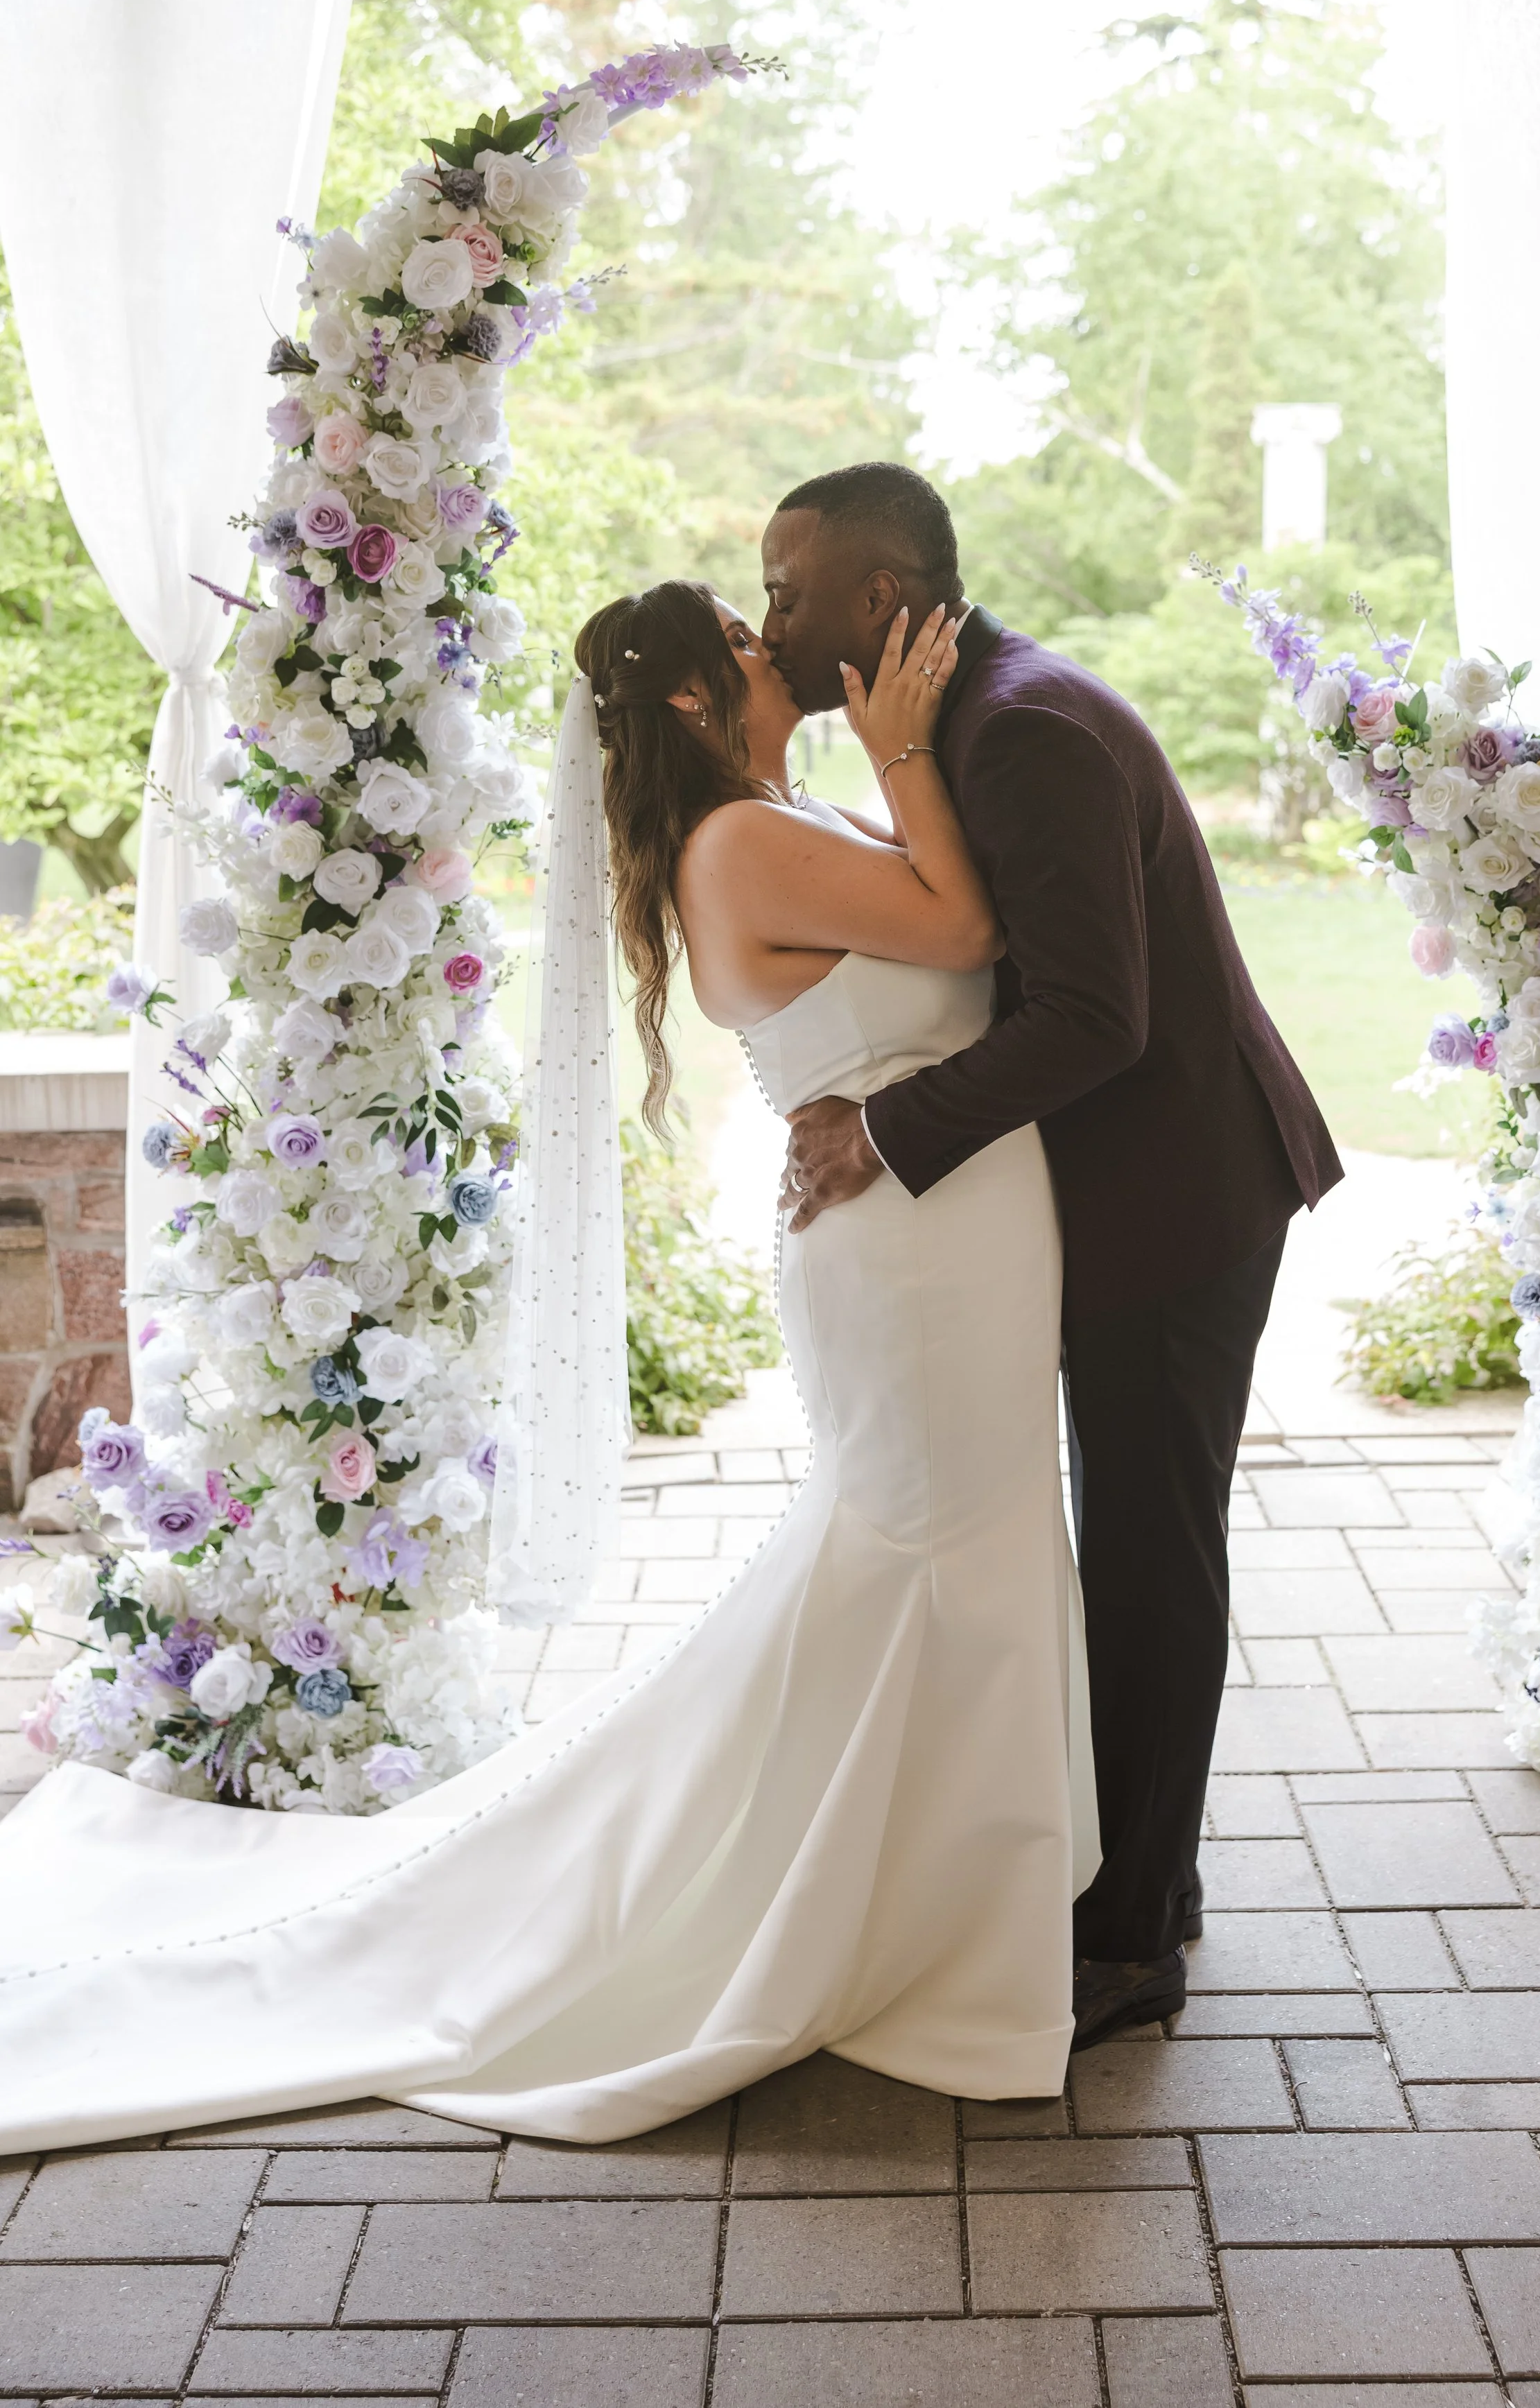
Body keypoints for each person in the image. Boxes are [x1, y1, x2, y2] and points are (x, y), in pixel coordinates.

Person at [0, 578, 1098, 2154]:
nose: (766, 649)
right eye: (738, 643)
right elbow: (967, 929)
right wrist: (911, 745)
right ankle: (918, 1933)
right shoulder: (738, 842)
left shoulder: (786, 812)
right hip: (912, 1256)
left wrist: (892, 766)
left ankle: (936, 1895)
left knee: (945, 1545)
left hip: (947, 1229)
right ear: (685, 708)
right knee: (931, 1546)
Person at [763, 462, 1342, 2048]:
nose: (769, 621)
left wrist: (880, 1136)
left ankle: (1136, 1936)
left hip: (1178, 1193)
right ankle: (1150, 1874)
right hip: (1147, 1183)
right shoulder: (964, 721)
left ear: (879, 602)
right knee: (1137, 1533)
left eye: (787, 592)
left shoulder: (1018, 730)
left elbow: (1098, 1016)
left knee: (1153, 1548)